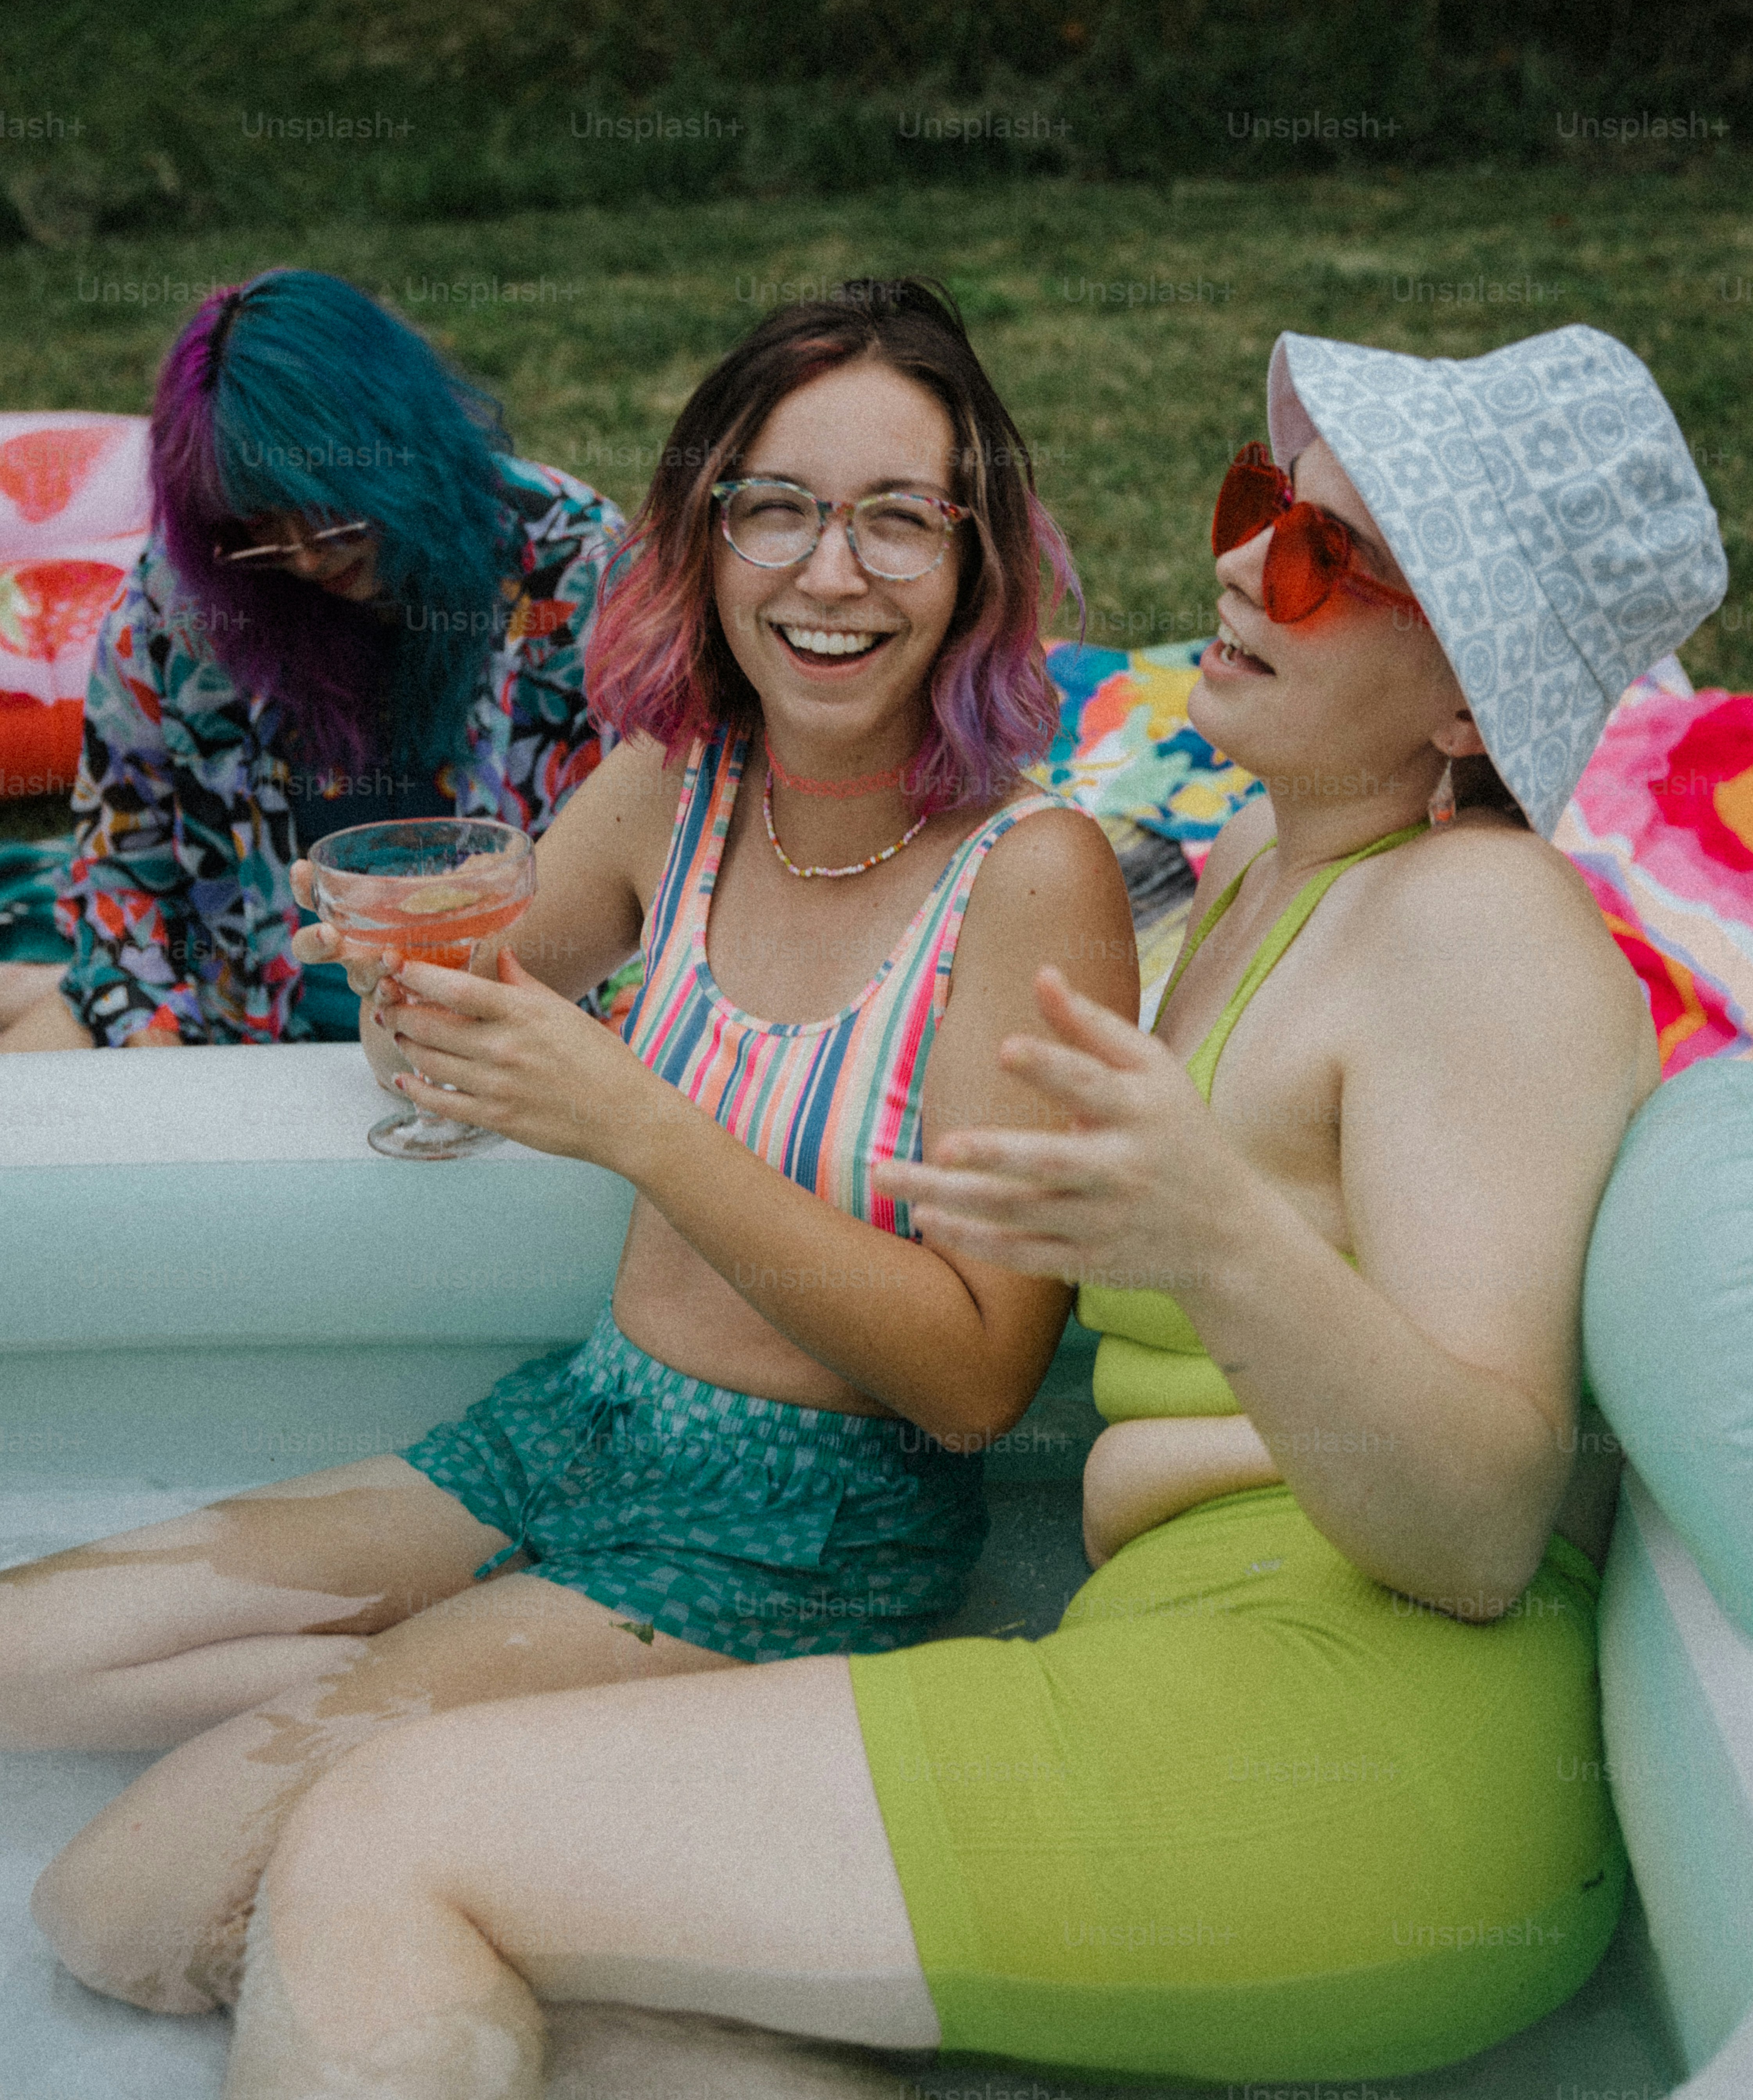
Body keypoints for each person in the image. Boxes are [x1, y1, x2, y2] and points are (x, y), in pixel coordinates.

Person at [210, 324, 1724, 2100]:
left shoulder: (1479, 930)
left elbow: (1481, 1530)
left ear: (1472, 701)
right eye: (1262, 506)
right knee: (600, 2015)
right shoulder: (1272, 861)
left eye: (1332, 555)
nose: (1242, 561)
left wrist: (1209, 1241)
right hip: (1205, 1678)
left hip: (1361, 1761)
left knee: (387, 1834)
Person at [2, 278, 1136, 2018]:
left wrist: (632, 1116)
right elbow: (444, 1036)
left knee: (122, 1911)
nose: (830, 574)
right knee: (19, 1657)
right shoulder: (668, 791)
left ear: (977, 562)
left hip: (804, 1529)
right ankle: (484, 1703)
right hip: (578, 1422)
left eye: (898, 519)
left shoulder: (1026, 874)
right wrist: (398, 974)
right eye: (778, 509)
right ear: (706, 534)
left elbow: (980, 1382)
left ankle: (651, 1942)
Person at [0, 268, 622, 1054]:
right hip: (241, 1027)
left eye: (332, 510)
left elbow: (669, 849)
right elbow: (121, 865)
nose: (301, 555)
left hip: (523, 1026)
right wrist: (148, 1043)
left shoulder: (571, 563)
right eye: (261, 524)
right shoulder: (188, 597)